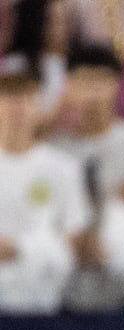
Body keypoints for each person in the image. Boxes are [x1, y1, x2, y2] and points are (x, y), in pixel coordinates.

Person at [50, 45, 124, 313]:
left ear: (117, 85)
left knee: (120, 214)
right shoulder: (52, 147)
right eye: (84, 81)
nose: (93, 91)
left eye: (101, 81)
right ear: (68, 86)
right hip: (66, 275)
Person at [0, 67, 89, 314]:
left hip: (42, 302)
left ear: (39, 109)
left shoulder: (64, 167)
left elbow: (73, 241)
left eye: (26, 100)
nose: (16, 108)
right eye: (7, 99)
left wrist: (19, 249)